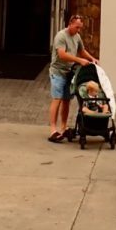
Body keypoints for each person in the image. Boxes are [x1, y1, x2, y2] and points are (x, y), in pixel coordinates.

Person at [48, 14, 98, 142]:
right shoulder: (61, 36)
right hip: (58, 72)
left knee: (66, 100)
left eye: (80, 28)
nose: (78, 30)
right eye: (77, 27)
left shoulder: (77, 36)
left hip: (69, 72)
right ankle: (53, 130)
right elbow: (62, 54)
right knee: (57, 99)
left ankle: (63, 128)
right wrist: (79, 60)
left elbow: (82, 50)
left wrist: (91, 58)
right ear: (70, 24)